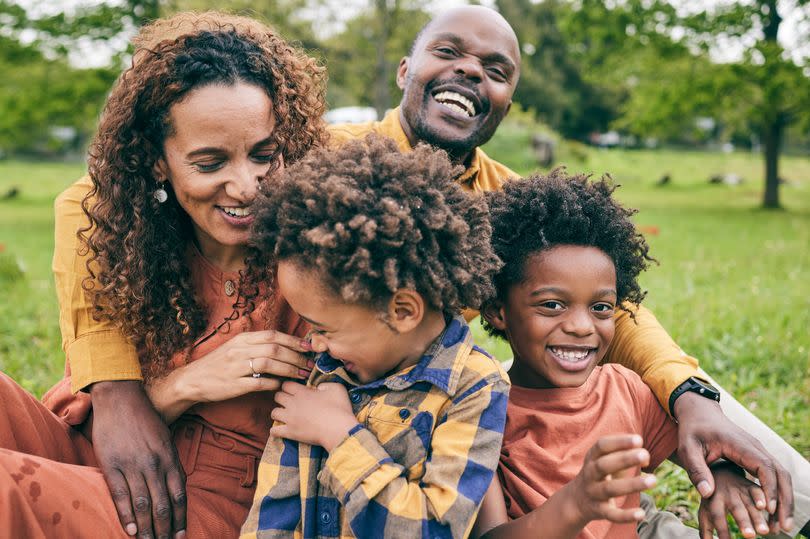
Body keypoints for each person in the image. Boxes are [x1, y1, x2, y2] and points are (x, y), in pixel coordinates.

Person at [329, 5, 808, 536]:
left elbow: (616, 314)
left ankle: (797, 506)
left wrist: (691, 393)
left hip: (463, 396)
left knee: (704, 410)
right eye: (447, 52)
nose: (470, 71)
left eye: (496, 70)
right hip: (360, 403)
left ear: (507, 102)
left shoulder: (506, 202)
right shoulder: (329, 158)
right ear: (403, 70)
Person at [0, 12, 327, 538]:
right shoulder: (136, 248)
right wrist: (179, 388)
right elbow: (78, 410)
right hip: (95, 452)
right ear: (157, 163)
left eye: (265, 154)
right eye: (209, 162)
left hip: (199, 504)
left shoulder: (315, 259)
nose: (246, 185)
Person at [471, 170, 769, 539]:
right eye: (552, 304)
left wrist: (721, 477)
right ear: (498, 310)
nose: (582, 326)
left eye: (600, 308)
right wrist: (575, 505)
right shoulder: (481, 411)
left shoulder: (624, 389)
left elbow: (696, 449)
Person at [238, 136, 509, 538]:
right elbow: (272, 514)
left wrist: (339, 434)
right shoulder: (325, 376)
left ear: (401, 312)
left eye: (324, 329)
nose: (314, 344)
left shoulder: (473, 388)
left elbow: (433, 529)